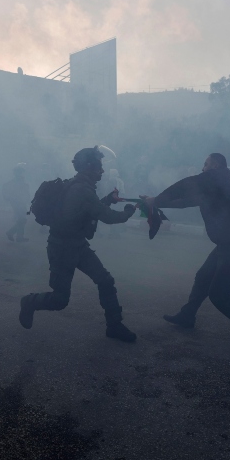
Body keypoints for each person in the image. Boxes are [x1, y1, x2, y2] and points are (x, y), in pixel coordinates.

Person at [142, 153, 230, 344]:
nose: (202, 169)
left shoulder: (217, 179)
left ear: (215, 165)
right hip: (229, 246)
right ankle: (187, 316)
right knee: (203, 278)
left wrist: (157, 199)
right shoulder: (214, 188)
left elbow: (184, 186)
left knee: (219, 295)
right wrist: (154, 201)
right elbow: (184, 202)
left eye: (205, 164)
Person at [18, 147, 139, 342]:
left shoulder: (80, 186)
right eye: (99, 167)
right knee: (60, 300)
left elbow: (89, 208)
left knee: (105, 280)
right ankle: (29, 302)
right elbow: (106, 216)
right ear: (89, 167)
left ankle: (114, 325)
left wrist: (108, 199)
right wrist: (128, 212)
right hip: (63, 248)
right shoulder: (82, 189)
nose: (102, 171)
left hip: (77, 245)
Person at [3, 164, 30, 243]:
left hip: (21, 202)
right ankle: (13, 234)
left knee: (22, 219)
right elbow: (7, 189)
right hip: (17, 203)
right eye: (20, 172)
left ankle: (18, 236)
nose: (22, 173)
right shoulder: (15, 182)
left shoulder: (21, 181)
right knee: (22, 219)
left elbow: (25, 192)